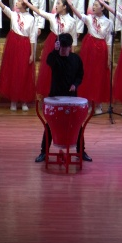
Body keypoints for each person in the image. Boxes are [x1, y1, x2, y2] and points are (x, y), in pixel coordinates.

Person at [36, 33, 90, 163]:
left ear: (70, 47)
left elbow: (80, 75)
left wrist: (75, 84)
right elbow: (49, 61)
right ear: (59, 46)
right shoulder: (54, 57)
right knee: (50, 125)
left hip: (71, 96)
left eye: (66, 48)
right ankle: (44, 152)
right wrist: (55, 50)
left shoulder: (76, 59)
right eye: (62, 48)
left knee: (77, 125)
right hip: (56, 96)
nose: (64, 50)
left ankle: (81, 151)